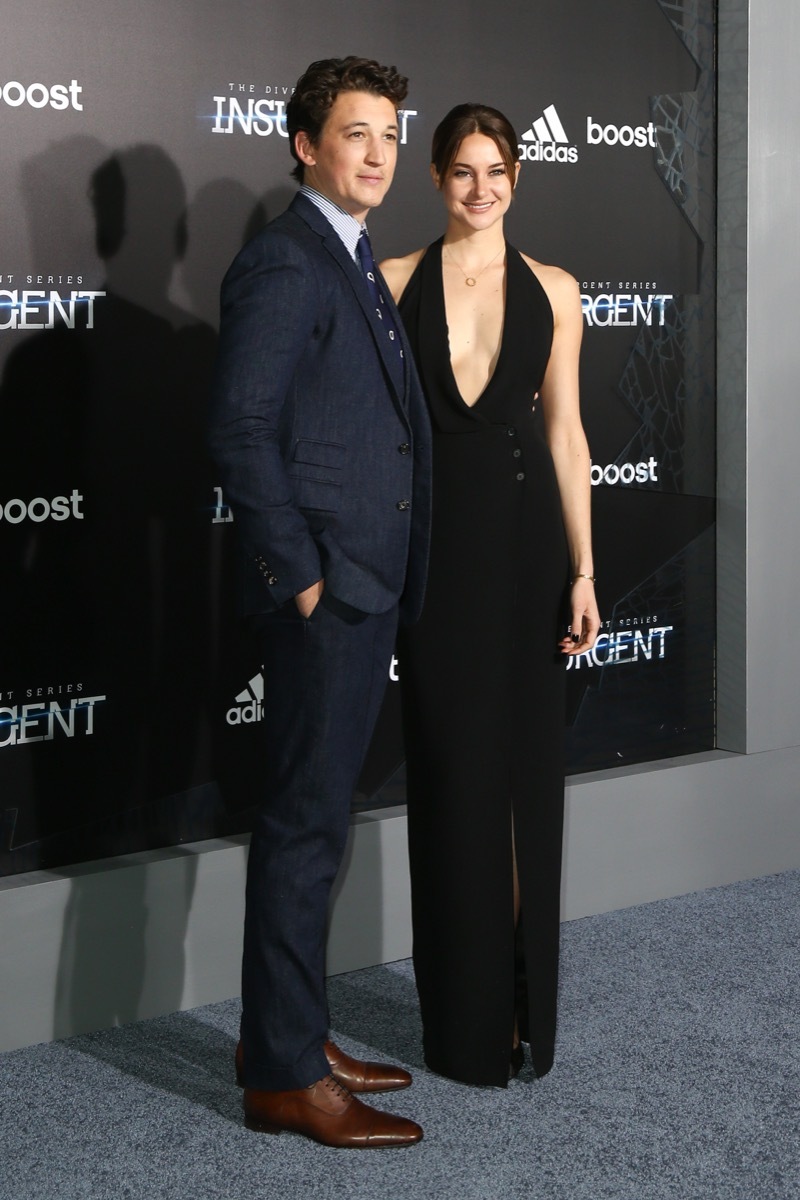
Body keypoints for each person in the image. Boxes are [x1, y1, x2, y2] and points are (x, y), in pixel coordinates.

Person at [208, 56, 431, 1146]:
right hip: (326, 596)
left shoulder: (350, 257)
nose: (380, 153)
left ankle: (285, 1034)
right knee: (303, 827)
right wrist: (300, 576)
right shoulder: (286, 262)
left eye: (390, 134)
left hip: (363, 587)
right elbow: (240, 432)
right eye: (356, 133)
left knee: (316, 824)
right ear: (304, 144)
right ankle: (285, 1080)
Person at [381, 103, 600, 1088]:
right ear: (434, 177)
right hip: (433, 562)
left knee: (522, 790)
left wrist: (585, 570)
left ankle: (521, 1012)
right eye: (462, 171)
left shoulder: (556, 289)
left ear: (518, 175)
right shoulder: (389, 284)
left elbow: (565, 434)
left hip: (526, 557)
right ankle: (460, 1027)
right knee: (450, 786)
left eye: (497, 169)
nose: (481, 188)